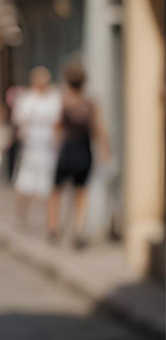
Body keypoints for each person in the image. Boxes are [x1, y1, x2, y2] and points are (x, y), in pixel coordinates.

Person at [47, 61, 112, 247]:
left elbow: (57, 126)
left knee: (56, 191)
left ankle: (53, 227)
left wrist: (55, 145)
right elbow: (99, 130)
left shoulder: (65, 101)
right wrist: (107, 153)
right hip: (84, 151)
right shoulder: (90, 104)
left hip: (67, 150)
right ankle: (78, 228)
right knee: (81, 192)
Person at [11, 66, 61, 228]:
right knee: (25, 184)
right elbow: (19, 119)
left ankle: (48, 218)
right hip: (31, 147)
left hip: (48, 148)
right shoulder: (27, 99)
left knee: (47, 186)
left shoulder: (53, 98)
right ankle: (21, 214)